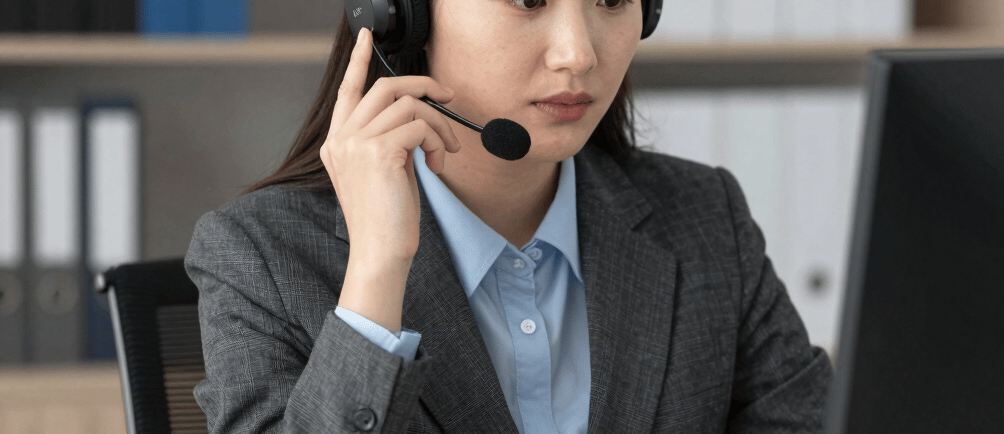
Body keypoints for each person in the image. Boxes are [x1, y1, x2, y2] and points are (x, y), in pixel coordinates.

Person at [184, 0, 832, 432]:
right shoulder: (257, 255)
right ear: (405, 15)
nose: (577, 53)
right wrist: (377, 270)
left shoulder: (704, 220)